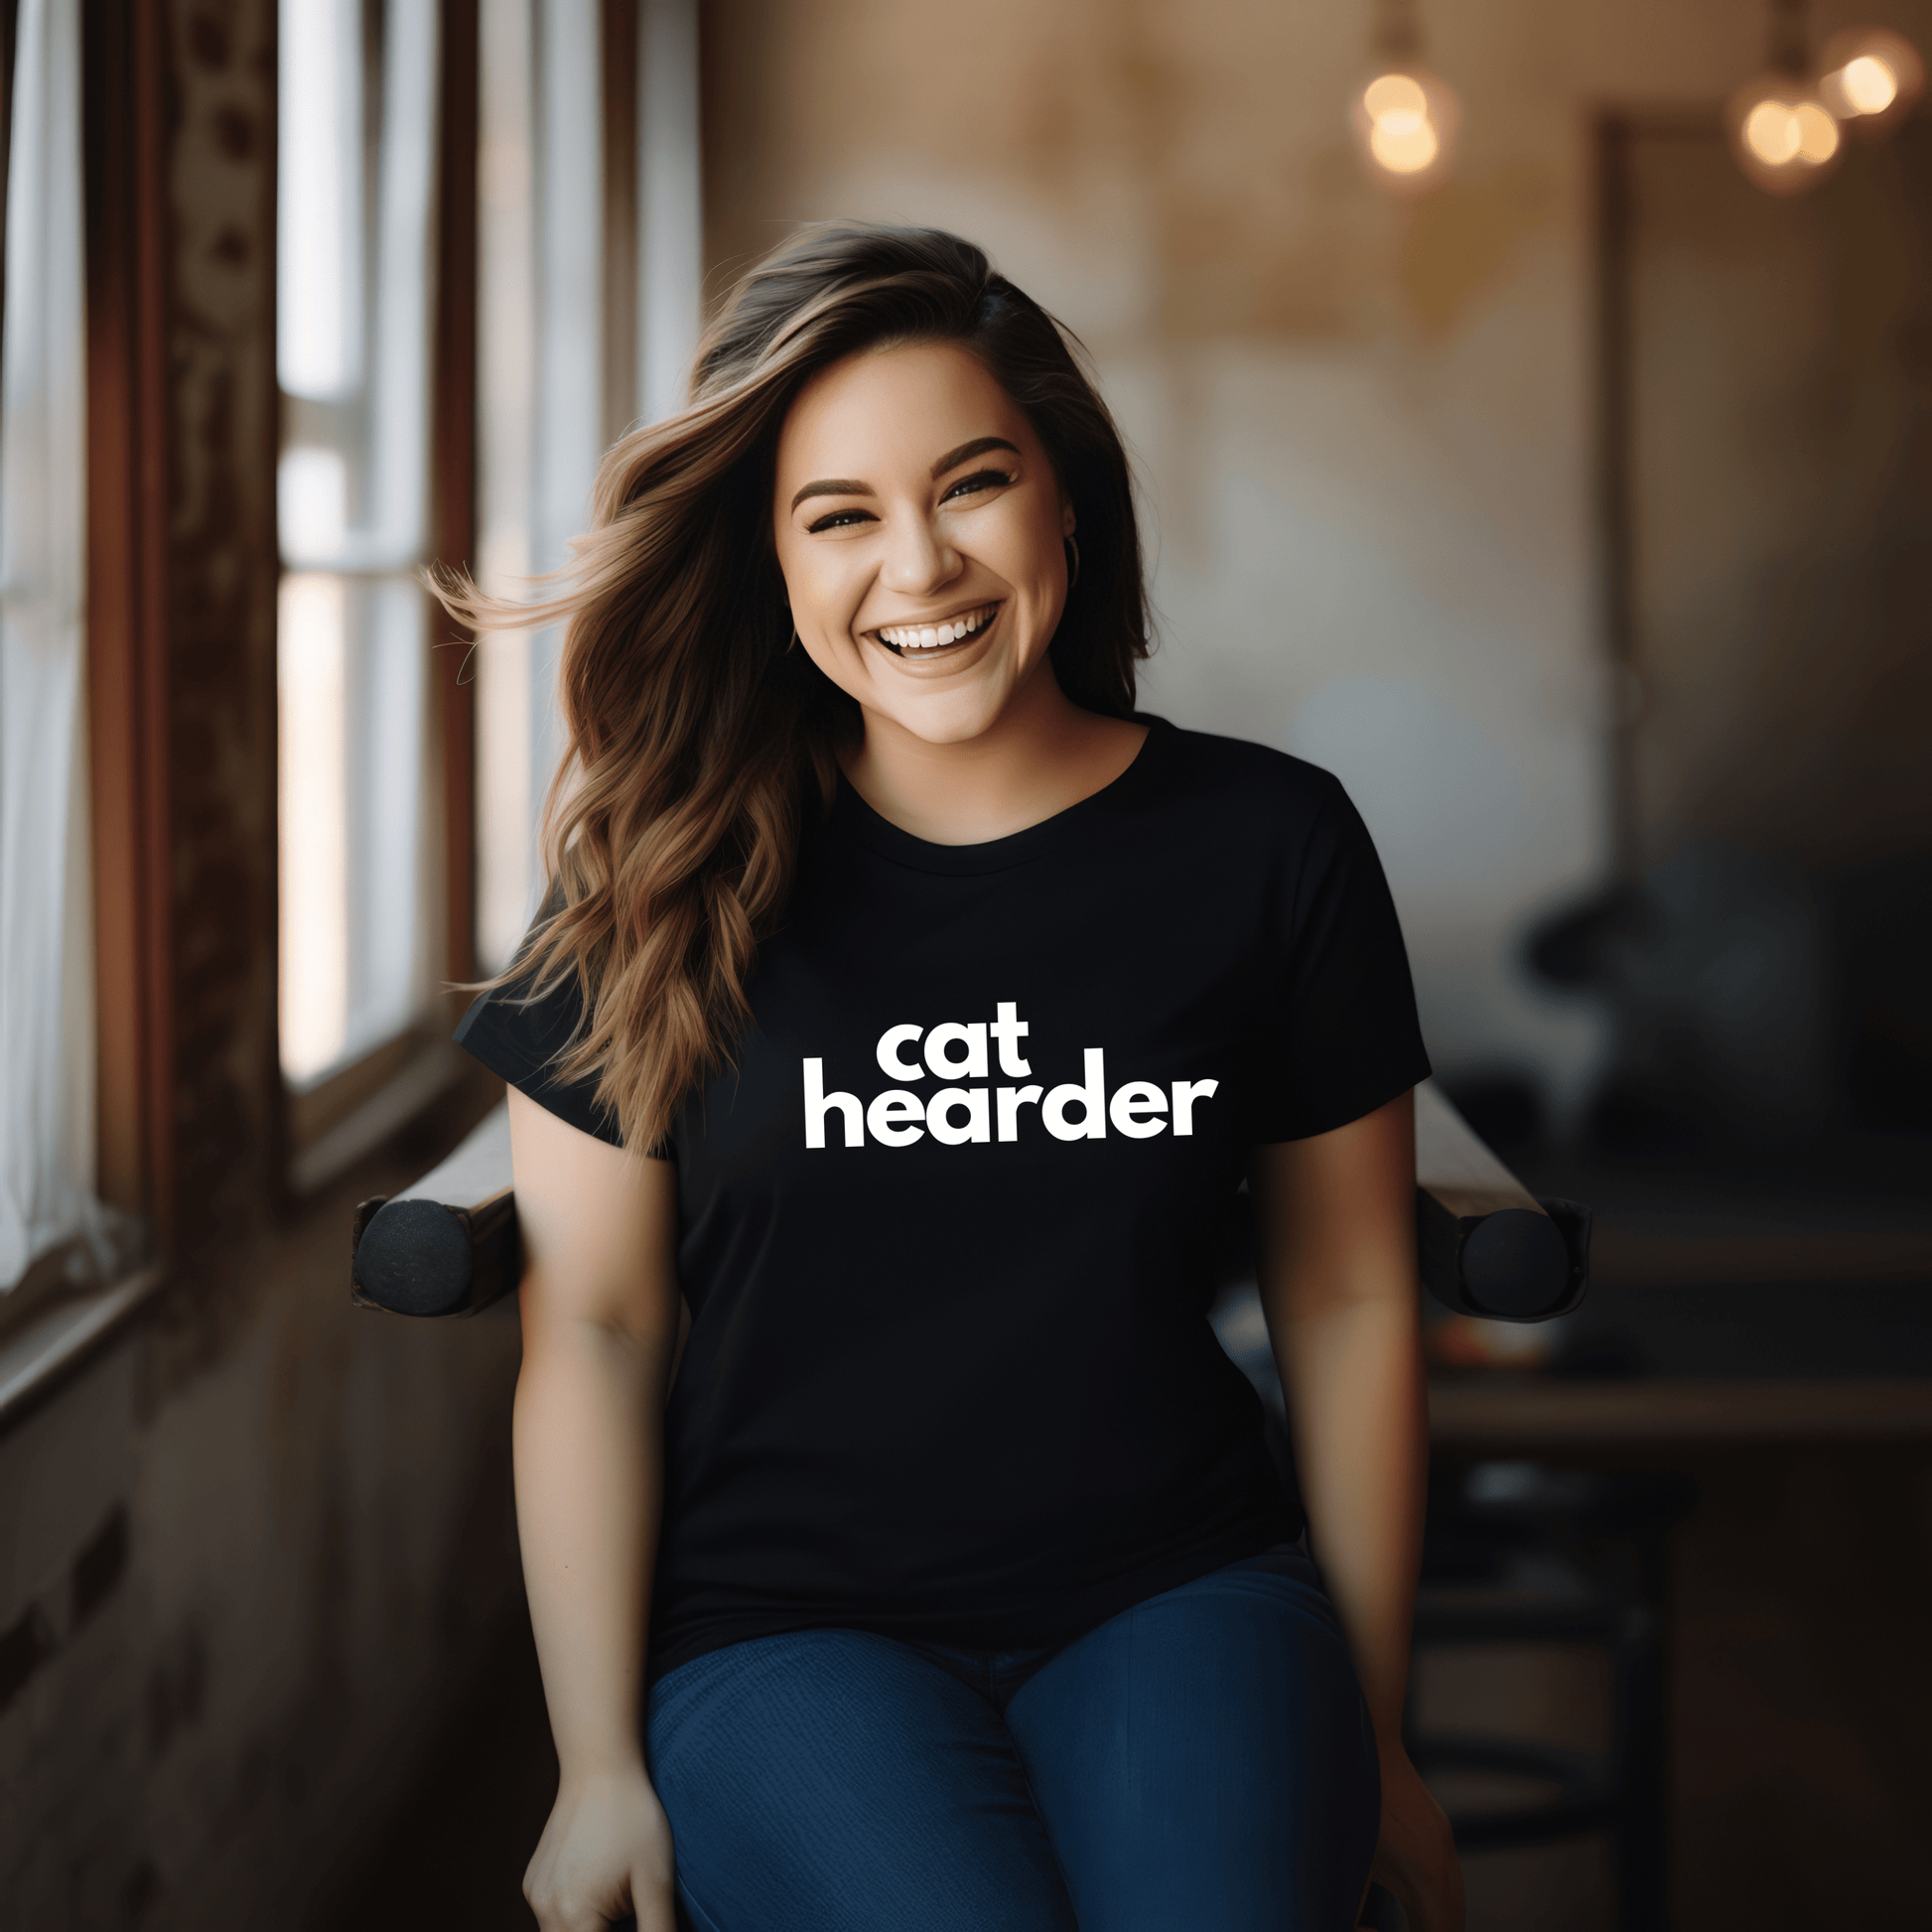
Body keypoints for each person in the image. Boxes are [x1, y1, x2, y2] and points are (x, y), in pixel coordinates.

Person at [446, 223, 1463, 1932]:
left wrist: (1376, 1736)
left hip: (1181, 1582)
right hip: (779, 1629)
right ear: (768, 562)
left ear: (1066, 497)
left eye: (971, 486)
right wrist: (594, 1761)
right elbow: (598, 1333)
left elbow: (1350, 1291)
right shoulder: (655, 873)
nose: (918, 567)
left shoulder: (1266, 842)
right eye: (839, 515)